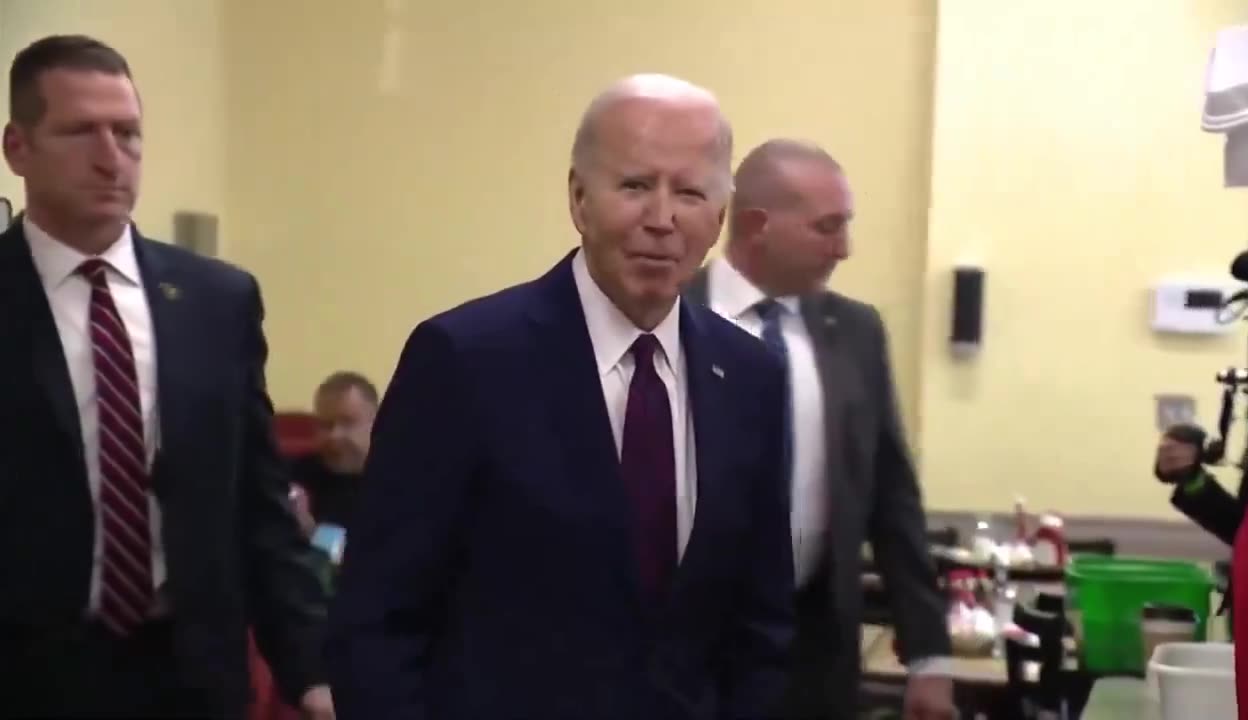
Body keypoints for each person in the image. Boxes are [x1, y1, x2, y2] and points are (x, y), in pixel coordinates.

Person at [326, 74, 794, 720]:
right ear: (579, 199)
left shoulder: (751, 380)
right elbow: (376, 621)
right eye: (634, 186)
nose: (661, 218)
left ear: (719, 216)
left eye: (689, 192)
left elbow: (760, 627)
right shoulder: (465, 360)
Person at [0, 35, 332, 719]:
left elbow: (258, 505)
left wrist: (312, 671)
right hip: (29, 678)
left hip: (191, 676)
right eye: (80, 132)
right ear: (17, 148)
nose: (110, 156)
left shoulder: (216, 300)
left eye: (127, 133)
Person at [685, 139, 953, 720]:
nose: (844, 248)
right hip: (686, 655)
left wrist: (929, 656)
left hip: (816, 653)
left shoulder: (854, 332)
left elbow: (892, 494)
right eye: (826, 228)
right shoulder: (666, 317)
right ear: (757, 225)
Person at [290, 371, 379, 532]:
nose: (334, 435)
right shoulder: (294, 475)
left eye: (347, 422)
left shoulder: (400, 483)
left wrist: (312, 534)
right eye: (326, 424)